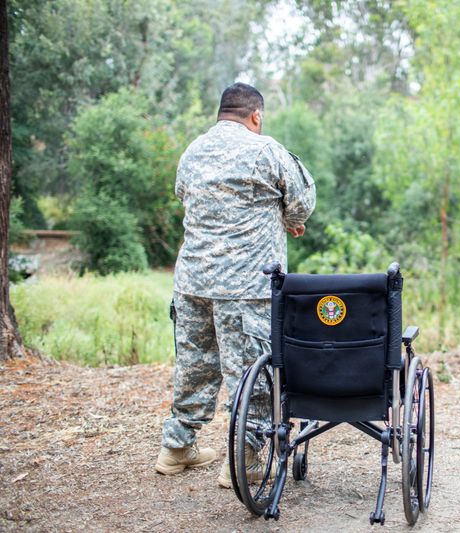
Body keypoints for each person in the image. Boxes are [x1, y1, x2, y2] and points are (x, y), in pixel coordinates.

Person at [154, 82, 316, 488]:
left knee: (193, 365)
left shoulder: (192, 152)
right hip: (246, 287)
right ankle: (245, 460)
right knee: (251, 372)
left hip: (192, 282)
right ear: (255, 116)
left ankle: (176, 448)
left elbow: (187, 199)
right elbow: (302, 204)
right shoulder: (266, 151)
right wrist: (286, 219)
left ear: (221, 112)